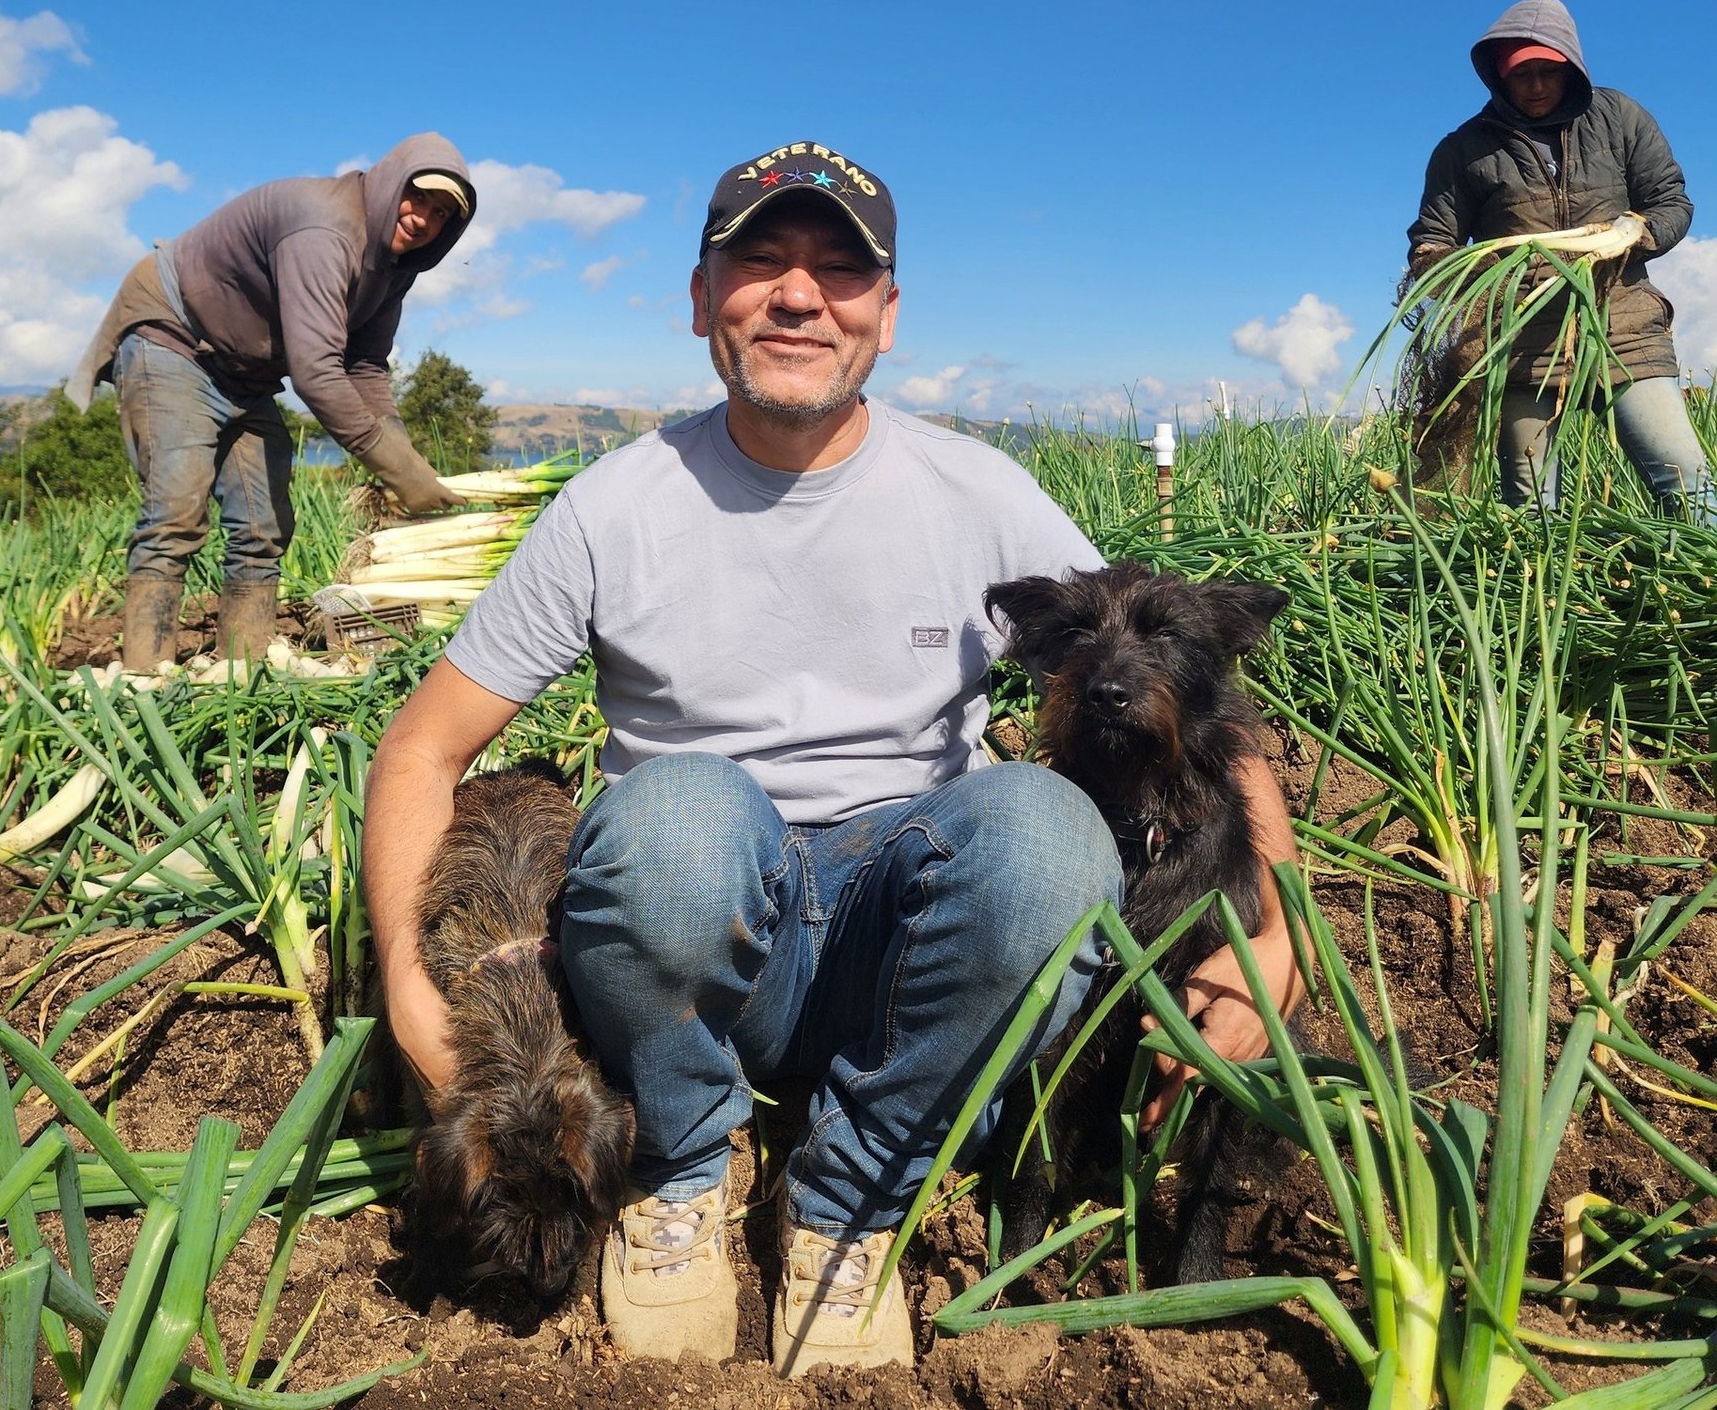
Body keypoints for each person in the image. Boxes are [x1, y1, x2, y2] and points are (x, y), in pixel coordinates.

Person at [364, 146, 1305, 1377]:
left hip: (908, 952)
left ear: (887, 315)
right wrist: (402, 977)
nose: (799, 295)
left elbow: (1193, 694)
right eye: (759, 262)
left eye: (839, 270)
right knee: (681, 816)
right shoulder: (614, 507)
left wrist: (1269, 934)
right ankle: (680, 1172)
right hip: (694, 950)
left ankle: (853, 1193)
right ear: (703, 300)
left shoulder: (979, 493)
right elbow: (421, 748)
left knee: (1043, 830)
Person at [67, 135, 478, 670]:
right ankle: (145, 679)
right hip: (174, 338)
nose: (423, 218)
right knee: (175, 512)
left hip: (247, 371)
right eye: (418, 197)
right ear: (390, 182)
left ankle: (245, 669)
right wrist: (398, 472)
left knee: (264, 524)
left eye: (442, 213)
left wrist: (412, 464)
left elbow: (366, 370)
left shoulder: (393, 270)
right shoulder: (326, 228)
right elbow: (317, 372)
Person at [1407, 0, 1708, 518]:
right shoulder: (1464, 149)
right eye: (1523, 75)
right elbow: (1433, 241)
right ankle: (1540, 597)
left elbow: (1671, 201)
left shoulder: (1619, 117)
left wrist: (1635, 231)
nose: (1538, 86)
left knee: (1685, 477)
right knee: (1531, 506)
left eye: (1550, 70)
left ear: (1572, 67)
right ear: (1499, 75)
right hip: (1522, 341)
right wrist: (1461, 269)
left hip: (1625, 328)